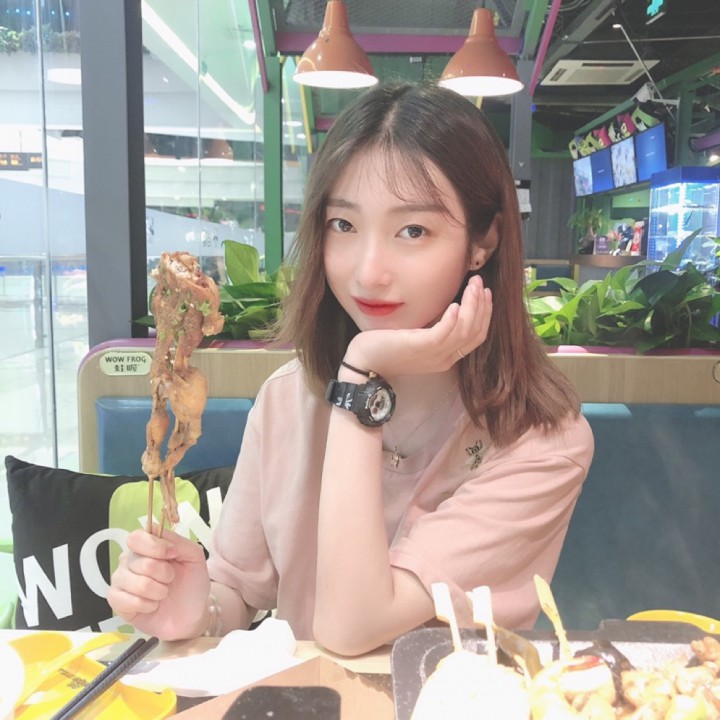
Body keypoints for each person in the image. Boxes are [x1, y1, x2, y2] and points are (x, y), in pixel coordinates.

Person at [108, 82, 593, 657]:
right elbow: (237, 588)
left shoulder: (541, 442)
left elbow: (352, 625)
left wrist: (361, 377)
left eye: (413, 231)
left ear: (482, 241)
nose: (369, 272)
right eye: (344, 224)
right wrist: (197, 610)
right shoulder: (288, 399)